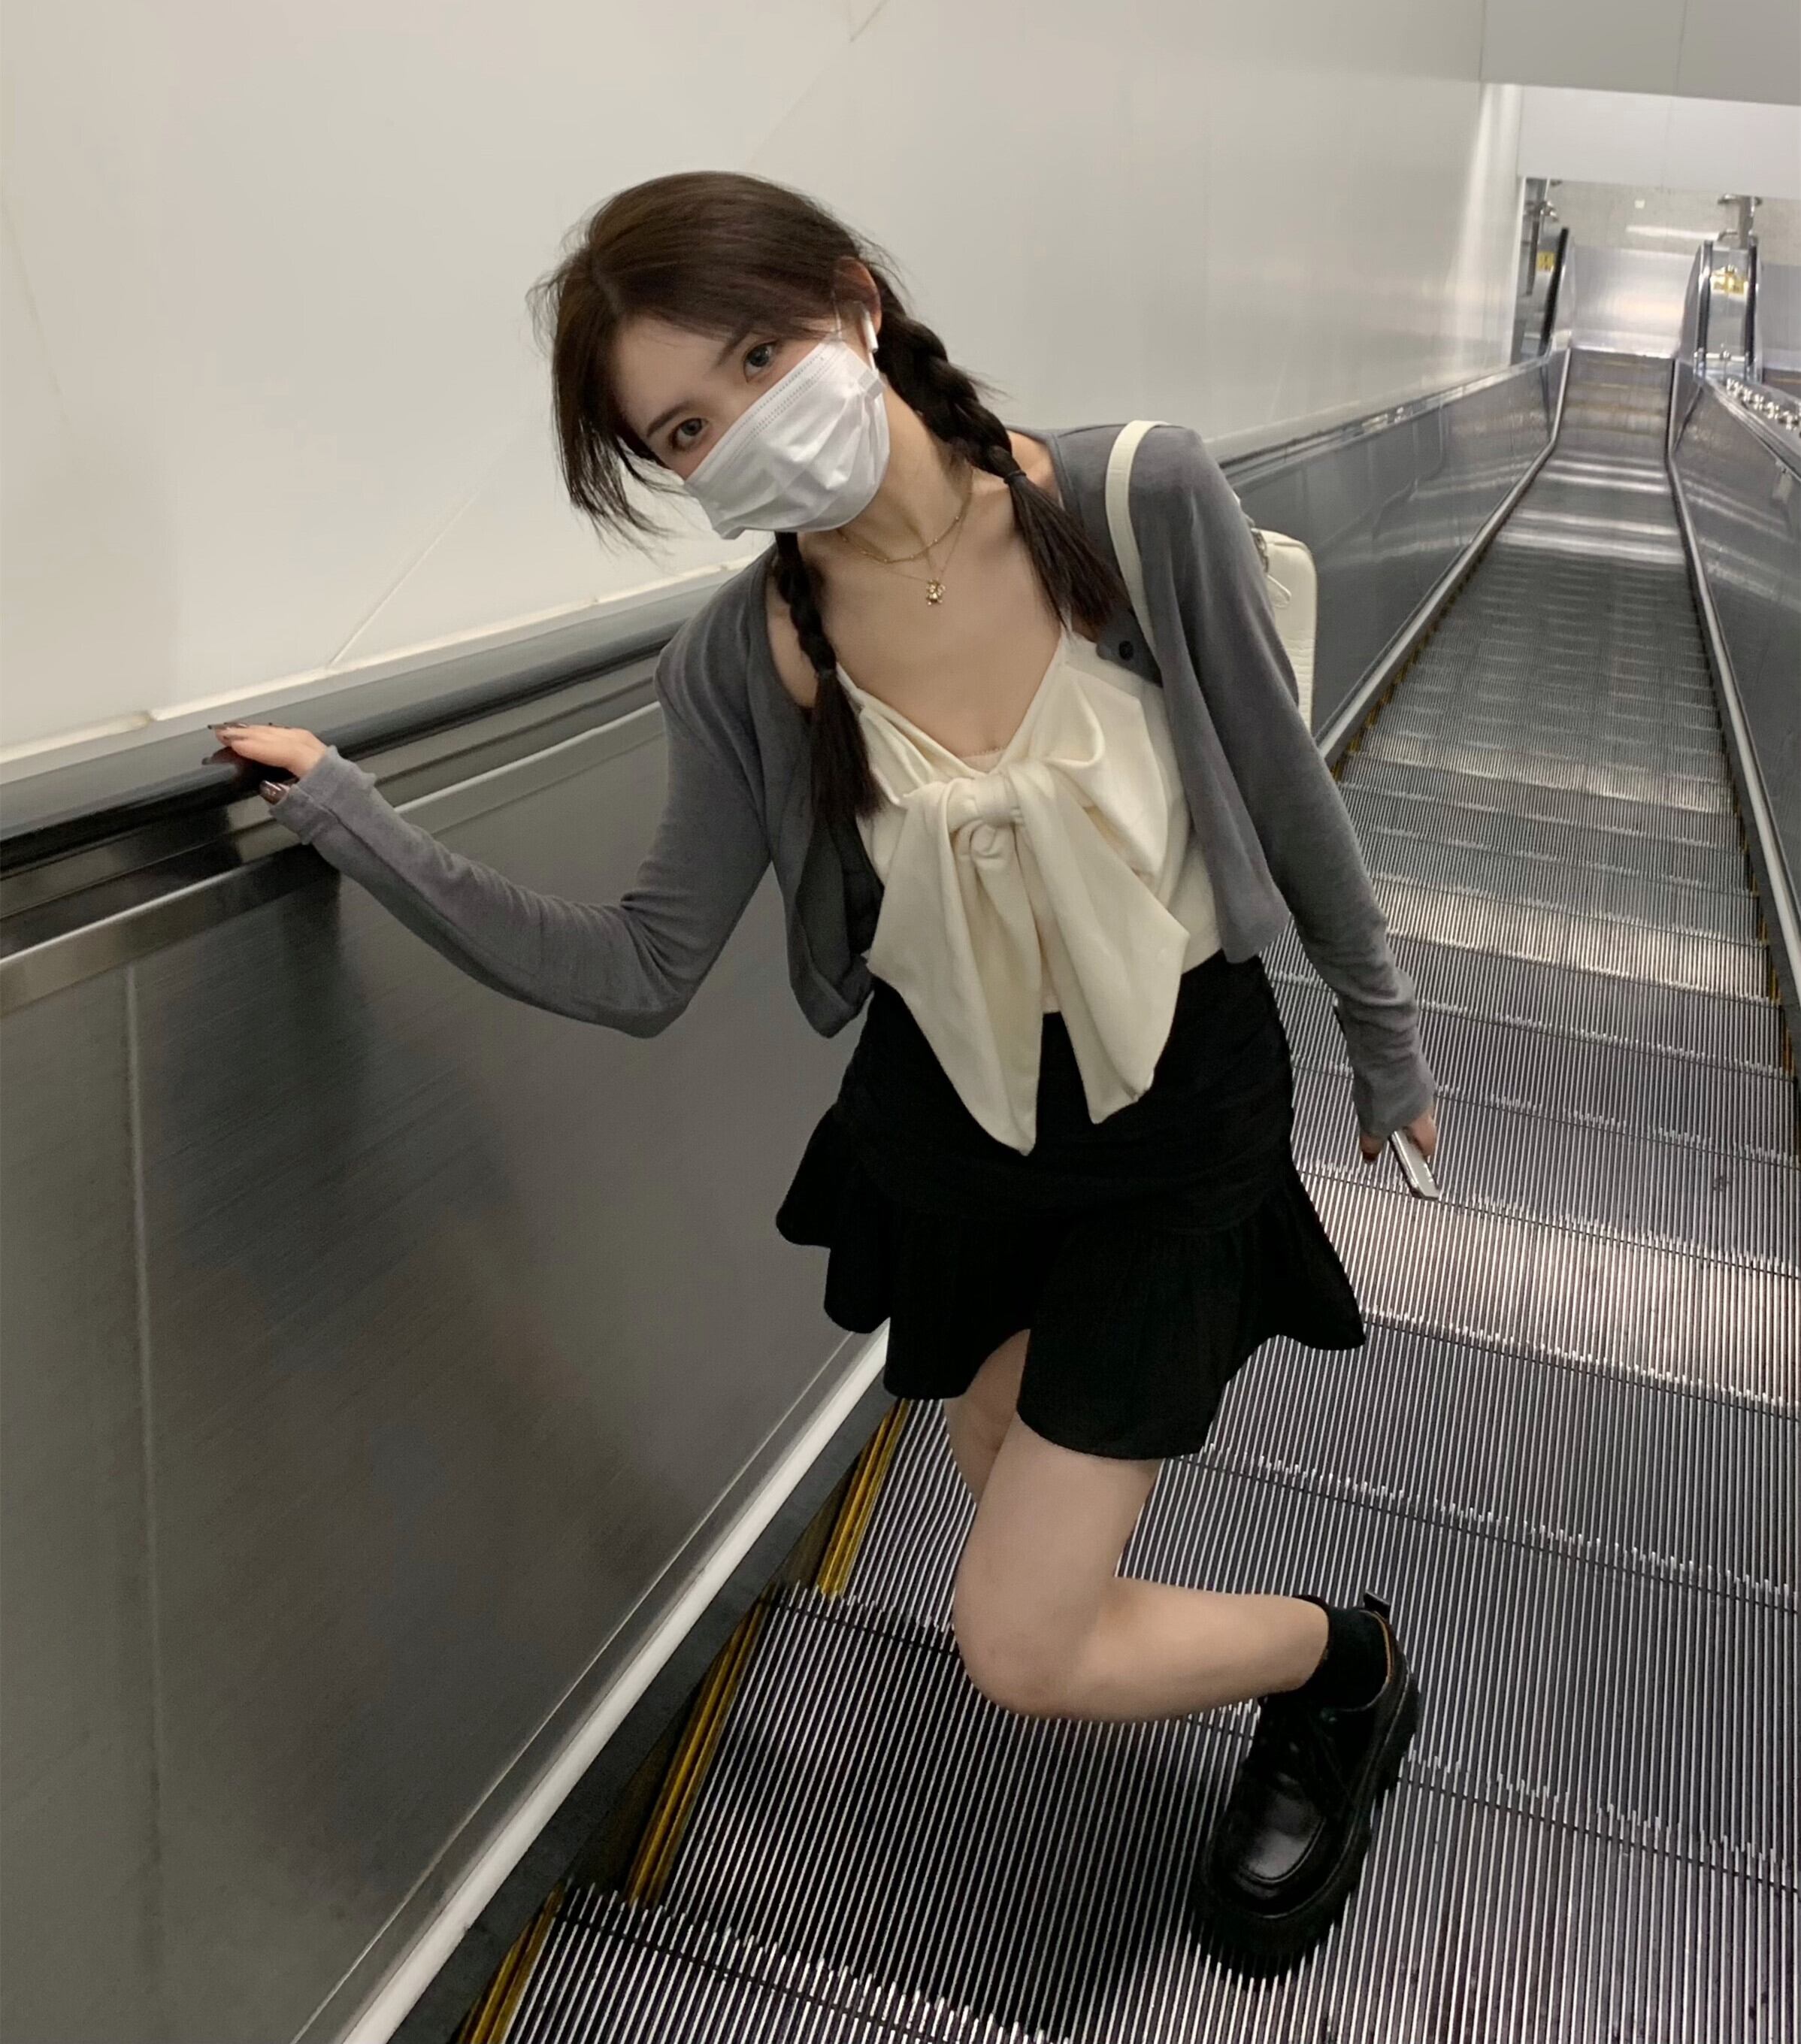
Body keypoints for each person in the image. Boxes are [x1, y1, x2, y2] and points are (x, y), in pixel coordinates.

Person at [211, 170, 1438, 1975]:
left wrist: (1382, 1032)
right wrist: (354, 818)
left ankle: (1345, 1669)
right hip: (948, 1141)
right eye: (684, 430)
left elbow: (1281, 779)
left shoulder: (1129, 499)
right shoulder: (746, 659)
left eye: (756, 356)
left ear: (855, 300)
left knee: (1021, 1641)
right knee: (1012, 1482)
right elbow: (636, 966)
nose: (739, 427)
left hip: (1175, 1130)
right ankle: (1297, 1657)